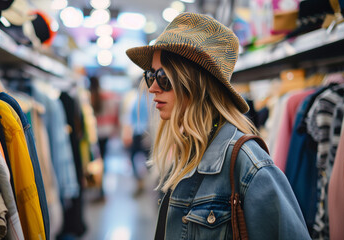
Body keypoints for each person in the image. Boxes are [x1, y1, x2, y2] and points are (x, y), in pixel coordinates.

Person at [126, 12, 311, 239]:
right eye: (150, 75)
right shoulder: (186, 152)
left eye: (163, 77)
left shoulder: (249, 166)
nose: (153, 87)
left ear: (194, 81)